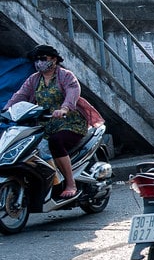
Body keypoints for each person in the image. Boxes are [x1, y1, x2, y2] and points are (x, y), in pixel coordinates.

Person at [3, 44, 95, 199]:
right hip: (44, 125)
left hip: (69, 123)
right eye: (36, 59)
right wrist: (5, 111)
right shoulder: (34, 79)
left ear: (54, 59)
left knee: (55, 142)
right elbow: (19, 95)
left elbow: (73, 92)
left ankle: (70, 183)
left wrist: (64, 109)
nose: (39, 62)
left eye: (43, 59)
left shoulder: (65, 76)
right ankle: (50, 182)